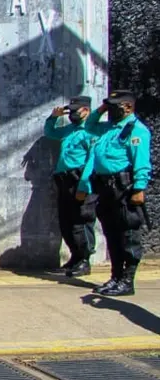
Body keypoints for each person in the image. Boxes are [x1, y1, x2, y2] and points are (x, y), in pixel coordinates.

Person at [79, 90, 153, 296]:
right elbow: (89, 126)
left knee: (128, 235)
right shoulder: (109, 128)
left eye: (114, 106)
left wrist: (139, 188)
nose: (110, 109)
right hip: (106, 188)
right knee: (112, 234)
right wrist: (101, 109)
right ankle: (116, 277)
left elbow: (141, 162)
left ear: (128, 107)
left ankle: (127, 281)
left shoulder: (136, 130)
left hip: (124, 188)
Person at [44, 96, 98, 277]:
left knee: (81, 222)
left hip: (80, 180)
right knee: (66, 222)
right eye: (71, 110)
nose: (72, 114)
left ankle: (85, 260)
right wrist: (54, 117)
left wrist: (84, 185)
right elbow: (50, 133)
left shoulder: (91, 131)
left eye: (76, 110)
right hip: (65, 181)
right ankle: (75, 258)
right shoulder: (70, 129)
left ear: (86, 111)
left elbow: (93, 159)